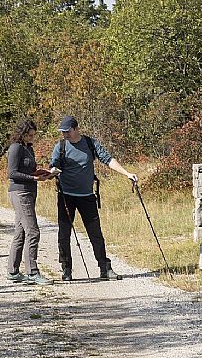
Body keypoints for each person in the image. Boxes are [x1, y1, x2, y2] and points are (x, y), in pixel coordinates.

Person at [49, 116, 138, 281]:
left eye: (67, 131)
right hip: (66, 196)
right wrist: (53, 170)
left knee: (95, 233)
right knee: (64, 234)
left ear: (76, 129)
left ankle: (105, 269)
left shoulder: (90, 144)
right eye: (62, 132)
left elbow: (108, 159)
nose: (65, 134)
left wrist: (126, 173)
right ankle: (66, 269)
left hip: (87, 196)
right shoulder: (60, 147)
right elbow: (53, 165)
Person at [6, 118, 53, 285]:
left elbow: (29, 170)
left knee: (21, 232)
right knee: (33, 232)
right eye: (30, 135)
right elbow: (12, 173)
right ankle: (32, 272)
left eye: (34, 135)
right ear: (23, 133)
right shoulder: (15, 148)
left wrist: (43, 173)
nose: (33, 137)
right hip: (20, 193)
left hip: (30, 192)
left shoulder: (28, 149)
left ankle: (12, 271)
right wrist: (33, 177)